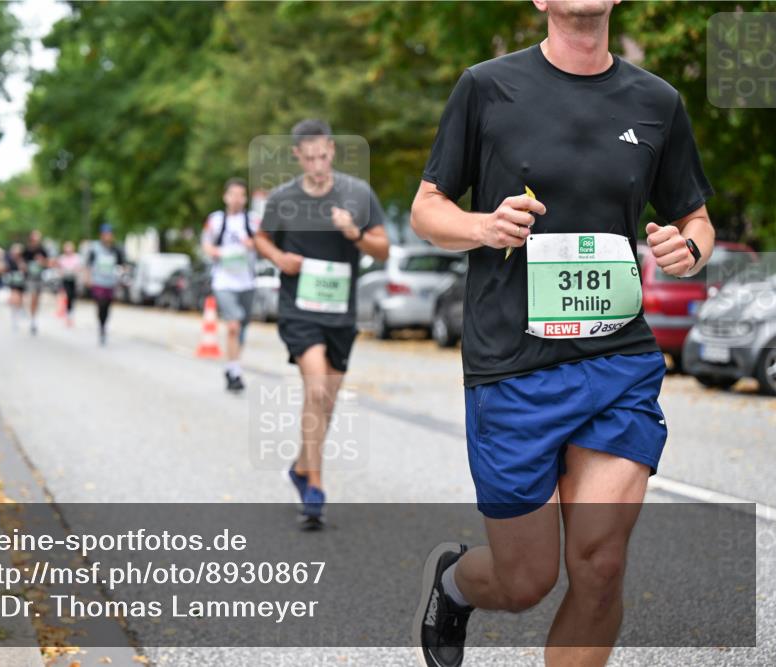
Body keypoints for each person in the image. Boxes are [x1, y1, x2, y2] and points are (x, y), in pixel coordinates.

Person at [409, 2, 716, 665]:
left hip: (617, 362)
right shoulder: (487, 86)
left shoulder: (656, 101)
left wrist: (686, 250)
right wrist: (483, 226)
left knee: (601, 564)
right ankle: (457, 582)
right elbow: (426, 210)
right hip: (513, 365)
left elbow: (697, 218)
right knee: (527, 580)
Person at [254, 119, 389, 527]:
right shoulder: (283, 199)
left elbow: (382, 249)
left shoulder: (357, 193)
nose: (316, 163)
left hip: (340, 314)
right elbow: (261, 238)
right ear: (297, 156)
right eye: (308, 157)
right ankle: (315, 488)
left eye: (322, 155)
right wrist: (280, 259)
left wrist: (354, 234)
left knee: (326, 401)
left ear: (331, 149)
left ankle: (300, 466)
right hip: (299, 309)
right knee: (315, 389)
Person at [201, 177, 258, 392]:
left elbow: (263, 243)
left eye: (241, 195)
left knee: (241, 328)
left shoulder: (252, 221)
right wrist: (216, 252)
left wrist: (252, 244)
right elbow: (206, 244)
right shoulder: (216, 220)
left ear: (245, 198)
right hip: (223, 281)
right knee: (233, 325)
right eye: (233, 194)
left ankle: (232, 365)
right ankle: (235, 373)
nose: (236, 199)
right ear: (225, 197)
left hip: (247, 281)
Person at [84, 223, 125, 346]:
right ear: (101, 235)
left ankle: (103, 326)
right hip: (98, 281)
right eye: (105, 234)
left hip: (111, 282)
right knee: (100, 303)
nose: (107, 237)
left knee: (107, 306)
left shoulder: (116, 249)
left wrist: (122, 275)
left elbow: (122, 265)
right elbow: (88, 264)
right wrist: (88, 278)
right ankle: (101, 326)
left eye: (109, 234)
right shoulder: (95, 248)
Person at [22, 229, 49, 336]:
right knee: (33, 297)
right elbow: (22, 262)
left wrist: (42, 262)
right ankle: (32, 320)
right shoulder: (27, 250)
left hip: (39, 277)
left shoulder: (42, 250)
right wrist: (24, 266)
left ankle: (34, 317)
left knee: (37, 299)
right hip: (30, 278)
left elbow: (47, 263)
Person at [56, 240, 82, 328]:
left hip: (73, 280)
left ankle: (71, 315)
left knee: (72, 297)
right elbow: (59, 269)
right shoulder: (62, 258)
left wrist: (75, 271)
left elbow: (79, 268)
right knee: (67, 296)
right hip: (65, 280)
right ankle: (67, 315)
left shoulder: (76, 257)